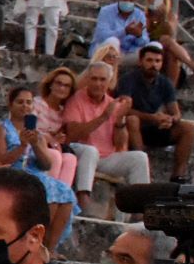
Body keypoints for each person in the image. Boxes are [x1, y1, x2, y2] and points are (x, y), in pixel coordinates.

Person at [0, 84, 78, 248]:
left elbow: (46, 164)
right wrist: (21, 146)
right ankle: (36, 244)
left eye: (28, 103)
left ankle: (50, 247)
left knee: (65, 193)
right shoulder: (1, 130)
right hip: (12, 173)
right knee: (48, 190)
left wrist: (35, 144)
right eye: (20, 102)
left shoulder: (38, 135)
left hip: (36, 174)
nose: (25, 106)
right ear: (11, 104)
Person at [64, 61, 150, 204]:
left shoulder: (112, 103)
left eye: (102, 79)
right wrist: (103, 117)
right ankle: (83, 197)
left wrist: (120, 119)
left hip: (105, 157)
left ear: (109, 82)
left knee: (140, 157)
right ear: (87, 80)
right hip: (80, 152)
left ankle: (140, 207)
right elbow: (73, 134)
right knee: (91, 151)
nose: (98, 83)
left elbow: (120, 144)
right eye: (94, 79)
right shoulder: (76, 100)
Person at [118, 42, 194, 184]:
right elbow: (123, 109)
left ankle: (178, 176)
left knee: (188, 128)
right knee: (132, 120)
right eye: (149, 60)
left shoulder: (165, 82)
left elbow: (176, 113)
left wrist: (169, 120)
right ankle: (144, 169)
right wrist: (151, 118)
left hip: (155, 127)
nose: (153, 64)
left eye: (157, 61)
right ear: (141, 61)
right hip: (133, 128)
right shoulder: (128, 80)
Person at [89, 0, 150, 68]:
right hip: (104, 52)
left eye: (131, 0)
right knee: (113, 41)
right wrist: (125, 31)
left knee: (152, 49)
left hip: (126, 53)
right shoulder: (106, 11)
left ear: (136, 1)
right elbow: (101, 36)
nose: (127, 2)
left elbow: (144, 42)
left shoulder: (140, 15)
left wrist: (139, 35)